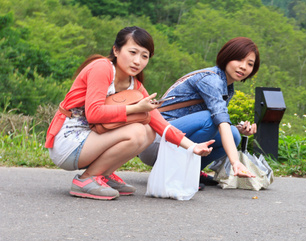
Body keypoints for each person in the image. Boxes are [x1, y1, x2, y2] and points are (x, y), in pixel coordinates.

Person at [46, 26, 214, 200]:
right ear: (116, 50)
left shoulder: (134, 84)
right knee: (137, 131)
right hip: (69, 141)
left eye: (144, 56)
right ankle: (87, 179)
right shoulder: (102, 68)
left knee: (149, 131)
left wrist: (193, 147)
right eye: (132, 52)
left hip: (92, 138)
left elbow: (160, 124)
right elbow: (94, 113)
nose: (137, 61)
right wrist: (135, 109)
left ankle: (103, 174)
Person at [138, 36, 259, 187]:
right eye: (239, 60)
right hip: (153, 141)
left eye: (250, 64)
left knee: (234, 134)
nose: (243, 67)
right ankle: (178, 174)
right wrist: (235, 162)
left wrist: (238, 128)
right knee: (211, 119)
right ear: (227, 57)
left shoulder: (227, 87)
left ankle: (191, 171)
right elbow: (216, 120)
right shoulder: (211, 80)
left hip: (172, 138)